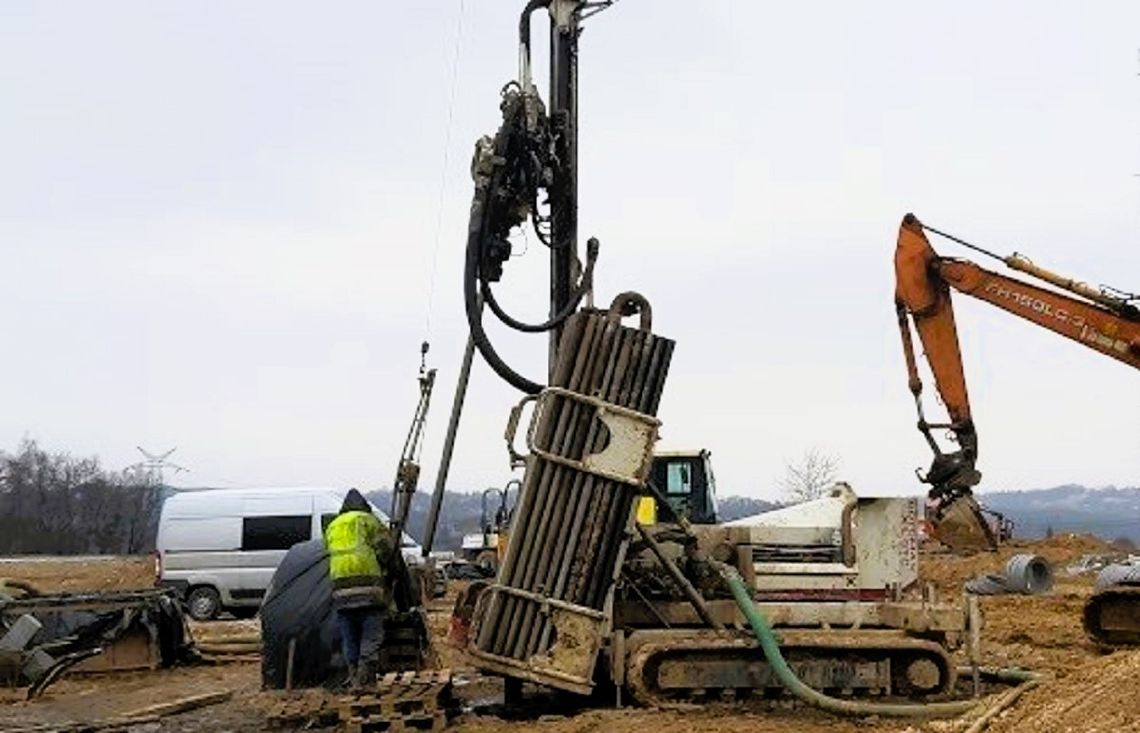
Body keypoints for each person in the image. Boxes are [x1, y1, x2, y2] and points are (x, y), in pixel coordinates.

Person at [324, 488, 394, 690]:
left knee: (349, 633)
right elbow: (386, 549)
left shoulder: (333, 526)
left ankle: (352, 675)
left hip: (340, 590)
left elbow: (328, 553)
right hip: (368, 587)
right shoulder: (367, 520)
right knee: (371, 632)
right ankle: (366, 677)